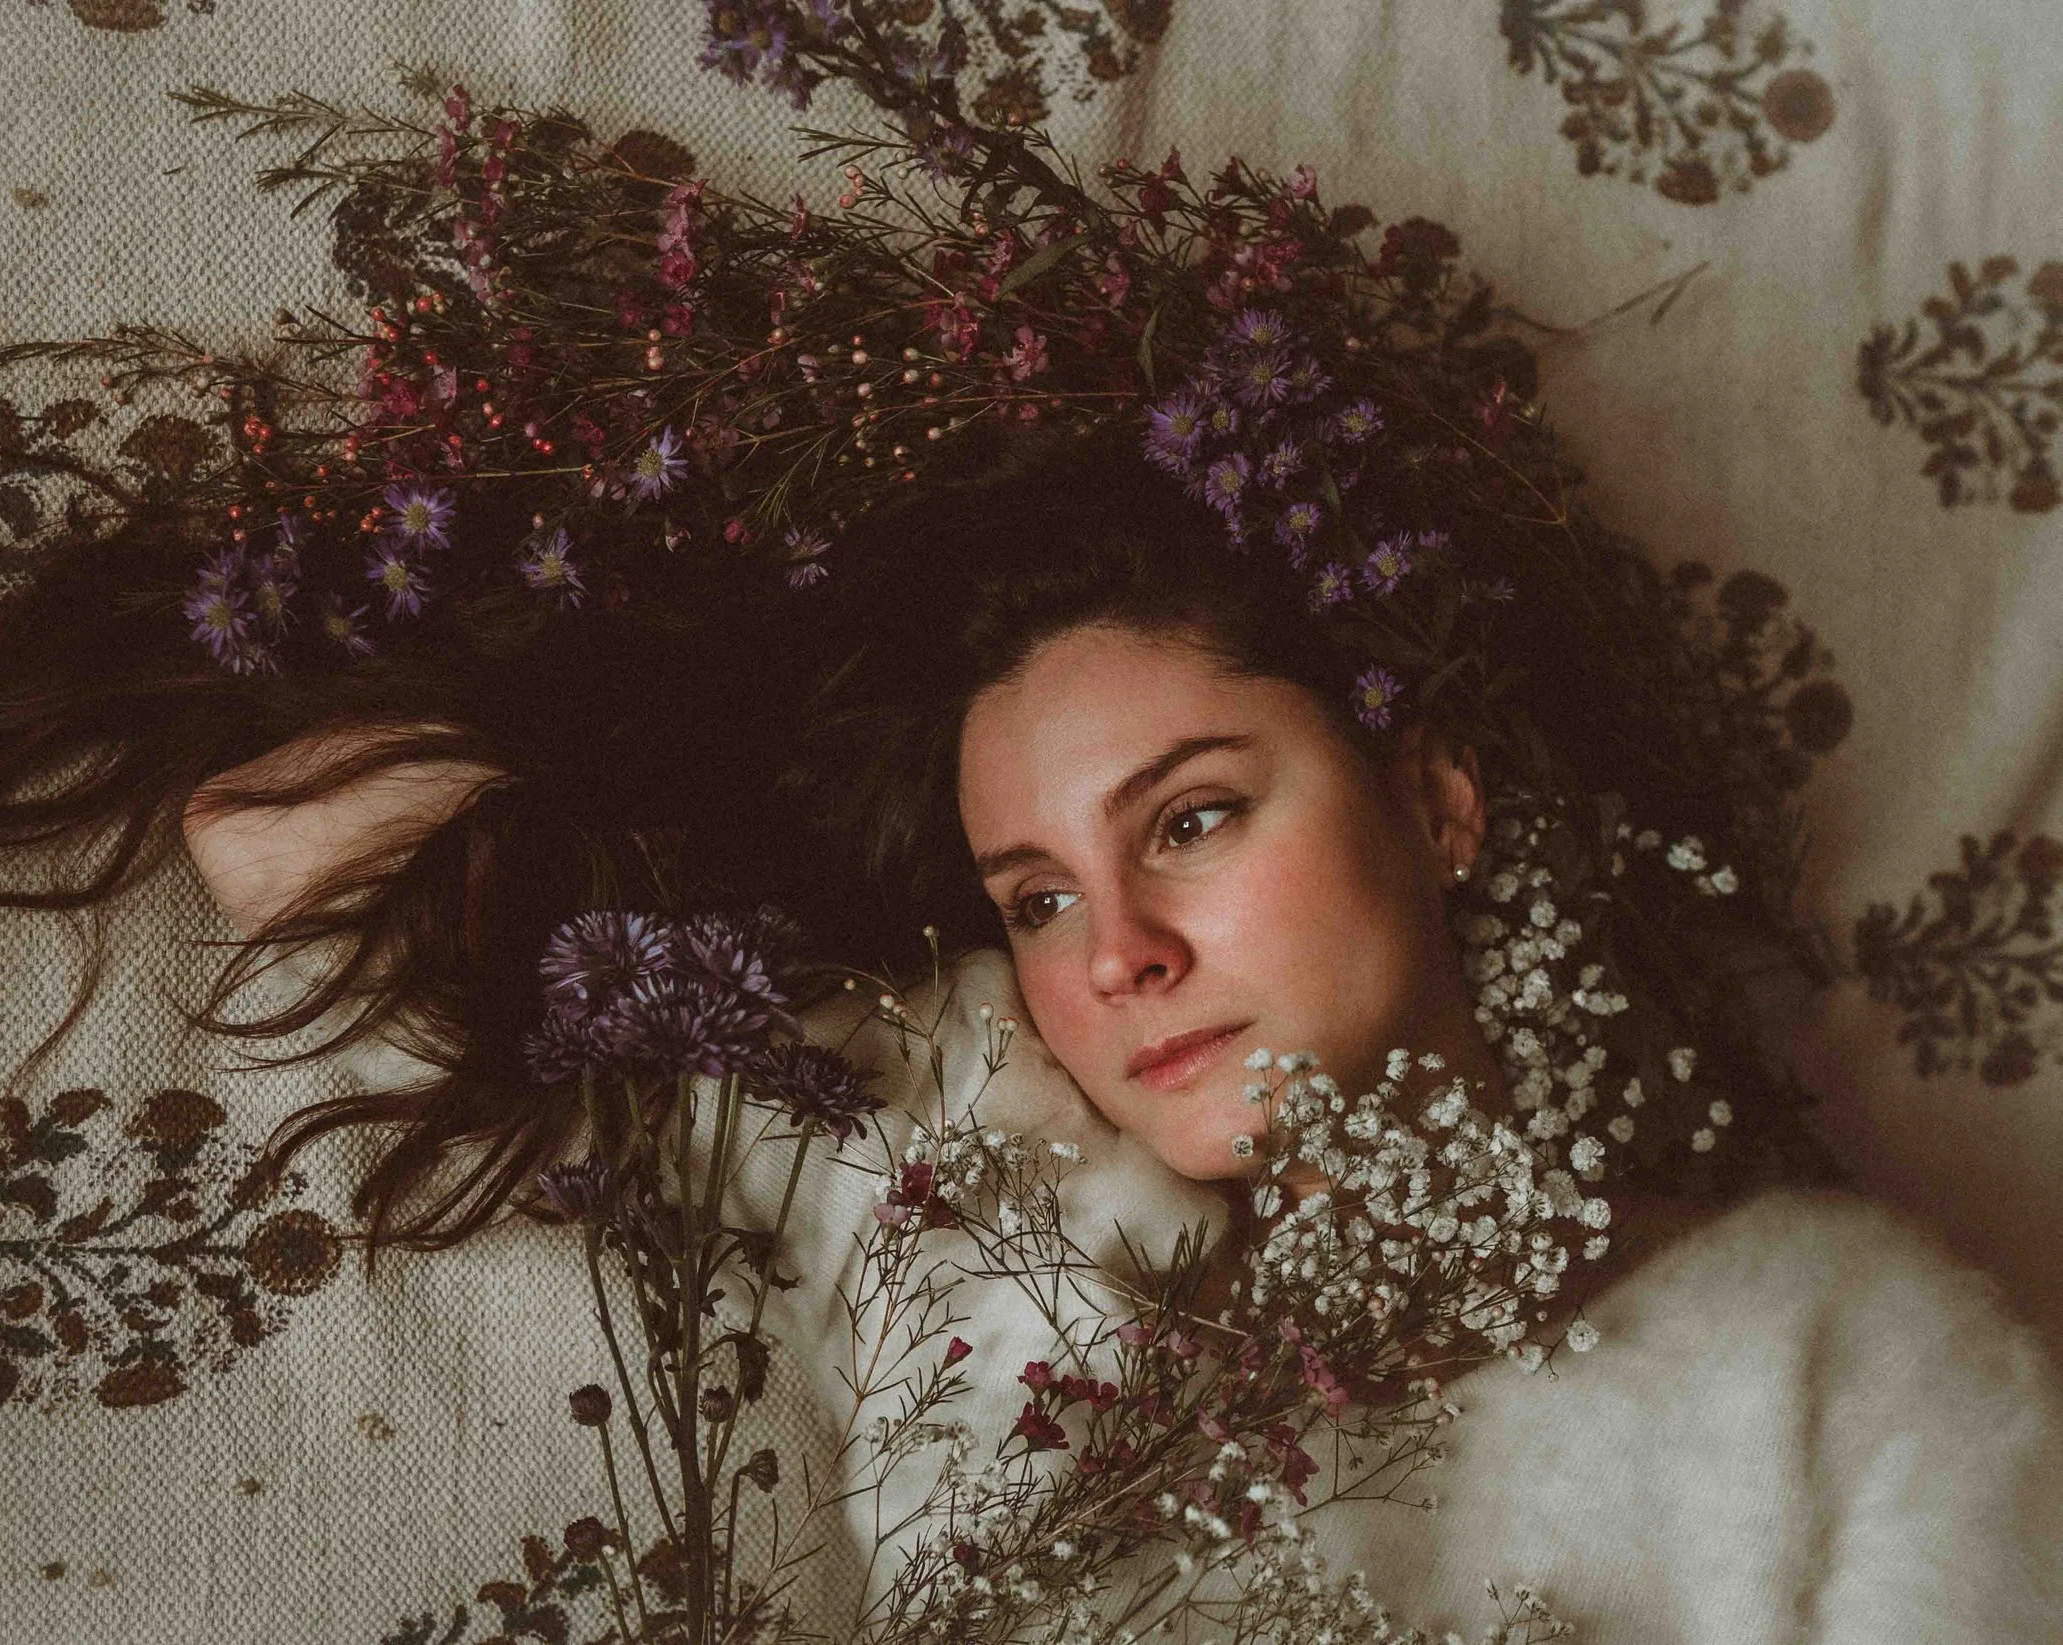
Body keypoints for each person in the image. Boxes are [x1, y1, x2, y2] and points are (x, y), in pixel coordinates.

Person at [174, 436, 2063, 1636]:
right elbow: (276, 839)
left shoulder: (1825, 1348)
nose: (1126, 953)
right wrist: (744, 735)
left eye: (1193, 819)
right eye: (1038, 895)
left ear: (1441, 801)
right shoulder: (969, 1216)